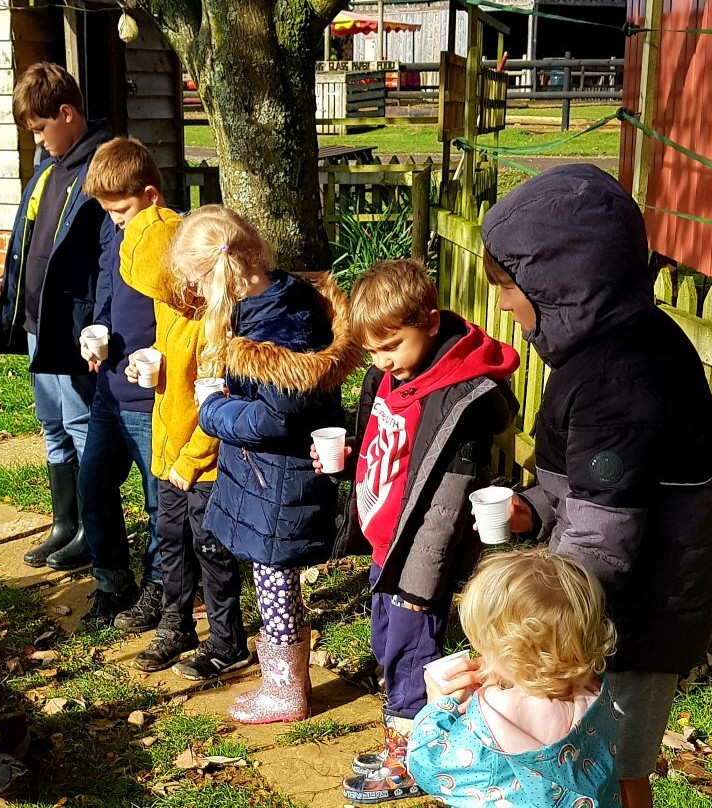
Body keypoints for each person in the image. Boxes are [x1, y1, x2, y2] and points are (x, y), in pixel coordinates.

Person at [480, 163, 712, 808]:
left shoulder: (620, 379)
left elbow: (602, 534)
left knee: (612, 771)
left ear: (558, 283)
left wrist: (535, 631)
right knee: (600, 770)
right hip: (604, 611)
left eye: (509, 287)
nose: (504, 304)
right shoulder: (595, 356)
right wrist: (530, 509)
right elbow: (579, 487)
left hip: (633, 621)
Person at [320, 260, 519, 804]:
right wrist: (342, 464)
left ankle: (412, 757)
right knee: (387, 644)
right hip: (388, 546)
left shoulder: (458, 403)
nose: (384, 364)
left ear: (430, 322)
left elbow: (447, 506)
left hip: (418, 558)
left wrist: (420, 587)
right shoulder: (389, 378)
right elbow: (380, 452)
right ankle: (401, 738)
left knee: (412, 658)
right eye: (374, 353)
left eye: (392, 347)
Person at [173, 205, 360, 722]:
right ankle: (284, 681)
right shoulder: (274, 301)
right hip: (267, 477)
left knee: (276, 583)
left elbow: (275, 419)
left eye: (196, 282)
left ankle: (286, 692)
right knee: (272, 579)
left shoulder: (279, 327)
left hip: (280, 479)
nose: (196, 294)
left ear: (219, 271)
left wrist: (212, 409)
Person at [0, 62, 115, 571]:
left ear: (67, 113)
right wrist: (8, 289)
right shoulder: (48, 168)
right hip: (37, 321)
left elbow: (107, 257)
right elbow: (32, 241)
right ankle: (63, 522)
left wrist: (97, 322)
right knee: (51, 424)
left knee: (79, 421)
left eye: (42, 129)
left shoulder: (100, 167)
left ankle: (91, 527)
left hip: (72, 324)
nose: (38, 142)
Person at [119, 203, 251, 681]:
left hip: (204, 464)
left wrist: (191, 460)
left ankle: (227, 639)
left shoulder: (216, 325)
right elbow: (169, 359)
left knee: (210, 548)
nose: (165, 299)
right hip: (169, 452)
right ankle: (176, 624)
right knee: (170, 540)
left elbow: (214, 403)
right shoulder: (173, 310)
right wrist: (146, 362)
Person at [406, 549, 620, 808]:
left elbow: (429, 766)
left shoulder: (490, 720)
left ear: (508, 655)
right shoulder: (598, 698)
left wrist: (437, 706)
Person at [71, 137, 173, 631]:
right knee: (93, 482)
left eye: (122, 208)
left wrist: (161, 358)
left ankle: (161, 588)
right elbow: (108, 295)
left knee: (159, 500)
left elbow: (184, 319)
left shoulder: (170, 241)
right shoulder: (117, 236)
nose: (115, 219)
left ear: (151, 195)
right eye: (108, 211)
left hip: (150, 393)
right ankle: (114, 582)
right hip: (110, 391)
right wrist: (97, 335)